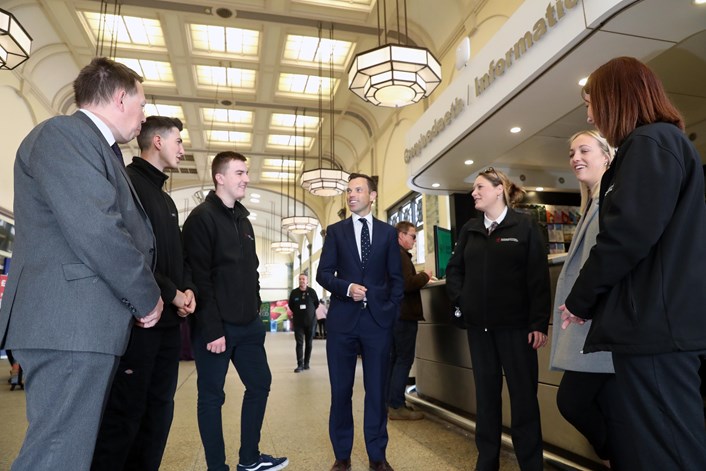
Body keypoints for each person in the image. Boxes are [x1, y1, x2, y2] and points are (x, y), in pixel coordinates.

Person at [0, 57, 163, 471]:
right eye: (142, 105)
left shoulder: (93, 145)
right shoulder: (64, 135)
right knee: (57, 453)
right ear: (121, 97)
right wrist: (147, 297)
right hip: (69, 324)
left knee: (68, 450)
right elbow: (98, 228)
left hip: (80, 325)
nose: (143, 117)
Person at [560, 56, 706, 470]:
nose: (590, 113)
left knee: (669, 451)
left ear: (615, 98)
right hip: (660, 327)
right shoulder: (662, 144)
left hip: (657, 331)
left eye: (593, 102)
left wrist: (580, 299)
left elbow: (626, 235)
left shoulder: (649, 144)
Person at [92, 116, 197, 471]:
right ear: (156, 142)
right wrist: (171, 293)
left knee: (159, 412)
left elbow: (175, 255)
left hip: (168, 324)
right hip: (140, 322)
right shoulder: (130, 184)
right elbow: (131, 253)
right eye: (177, 141)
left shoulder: (165, 198)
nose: (182, 149)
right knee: (126, 415)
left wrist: (187, 291)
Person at [182, 151, 288, 471]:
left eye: (246, 172)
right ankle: (217, 466)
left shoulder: (243, 220)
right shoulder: (201, 218)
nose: (246, 178)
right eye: (240, 173)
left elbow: (251, 270)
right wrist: (212, 328)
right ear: (220, 177)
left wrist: (256, 312)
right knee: (212, 397)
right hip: (217, 328)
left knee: (259, 384)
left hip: (248, 326)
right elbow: (199, 277)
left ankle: (250, 459)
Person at [445, 168, 550, 471]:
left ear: (499, 189)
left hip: (518, 331)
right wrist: (461, 302)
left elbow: (538, 280)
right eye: (474, 188)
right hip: (480, 331)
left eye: (479, 187)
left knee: (524, 402)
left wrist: (538, 324)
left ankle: (531, 465)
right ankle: (487, 463)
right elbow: (454, 270)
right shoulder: (470, 229)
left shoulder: (525, 227)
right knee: (487, 401)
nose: (474, 193)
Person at [548, 130, 633, 469]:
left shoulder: (607, 202)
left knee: (572, 401)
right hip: (594, 325)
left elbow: (608, 260)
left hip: (599, 324)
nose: (575, 158)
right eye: (571, 153)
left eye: (584, 150)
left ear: (607, 156)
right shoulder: (593, 204)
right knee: (607, 407)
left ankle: (618, 456)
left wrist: (582, 303)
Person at [317, 173, 404, 471]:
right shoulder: (336, 232)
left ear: (372, 195)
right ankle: (342, 456)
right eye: (348, 190)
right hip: (342, 322)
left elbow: (396, 279)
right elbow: (323, 274)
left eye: (357, 190)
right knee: (341, 390)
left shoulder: (388, 234)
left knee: (377, 391)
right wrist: (346, 287)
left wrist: (389, 311)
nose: (351, 195)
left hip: (377, 323)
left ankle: (377, 456)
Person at [387, 221, 432, 421]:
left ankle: (390, 402)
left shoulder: (392, 254)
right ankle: (397, 405)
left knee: (395, 359)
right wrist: (424, 276)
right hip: (404, 315)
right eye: (413, 236)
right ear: (401, 235)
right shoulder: (400, 256)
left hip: (394, 315)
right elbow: (406, 284)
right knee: (403, 360)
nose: (415, 240)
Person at [288, 273, 319, 373]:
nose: (301, 281)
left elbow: (316, 304)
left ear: (307, 281)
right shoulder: (294, 293)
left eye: (303, 279)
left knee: (309, 343)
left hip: (311, 323)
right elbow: (291, 305)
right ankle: (299, 365)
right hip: (298, 323)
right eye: (300, 279)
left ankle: (306, 363)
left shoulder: (312, 292)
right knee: (299, 343)